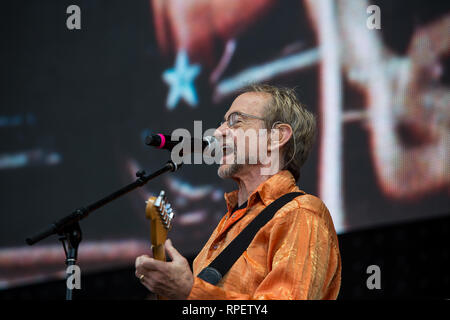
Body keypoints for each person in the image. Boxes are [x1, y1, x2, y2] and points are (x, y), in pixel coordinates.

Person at [135, 84, 341, 299]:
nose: (218, 132)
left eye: (235, 121)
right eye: (222, 123)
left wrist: (190, 291)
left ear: (277, 137)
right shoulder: (228, 222)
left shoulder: (300, 213)